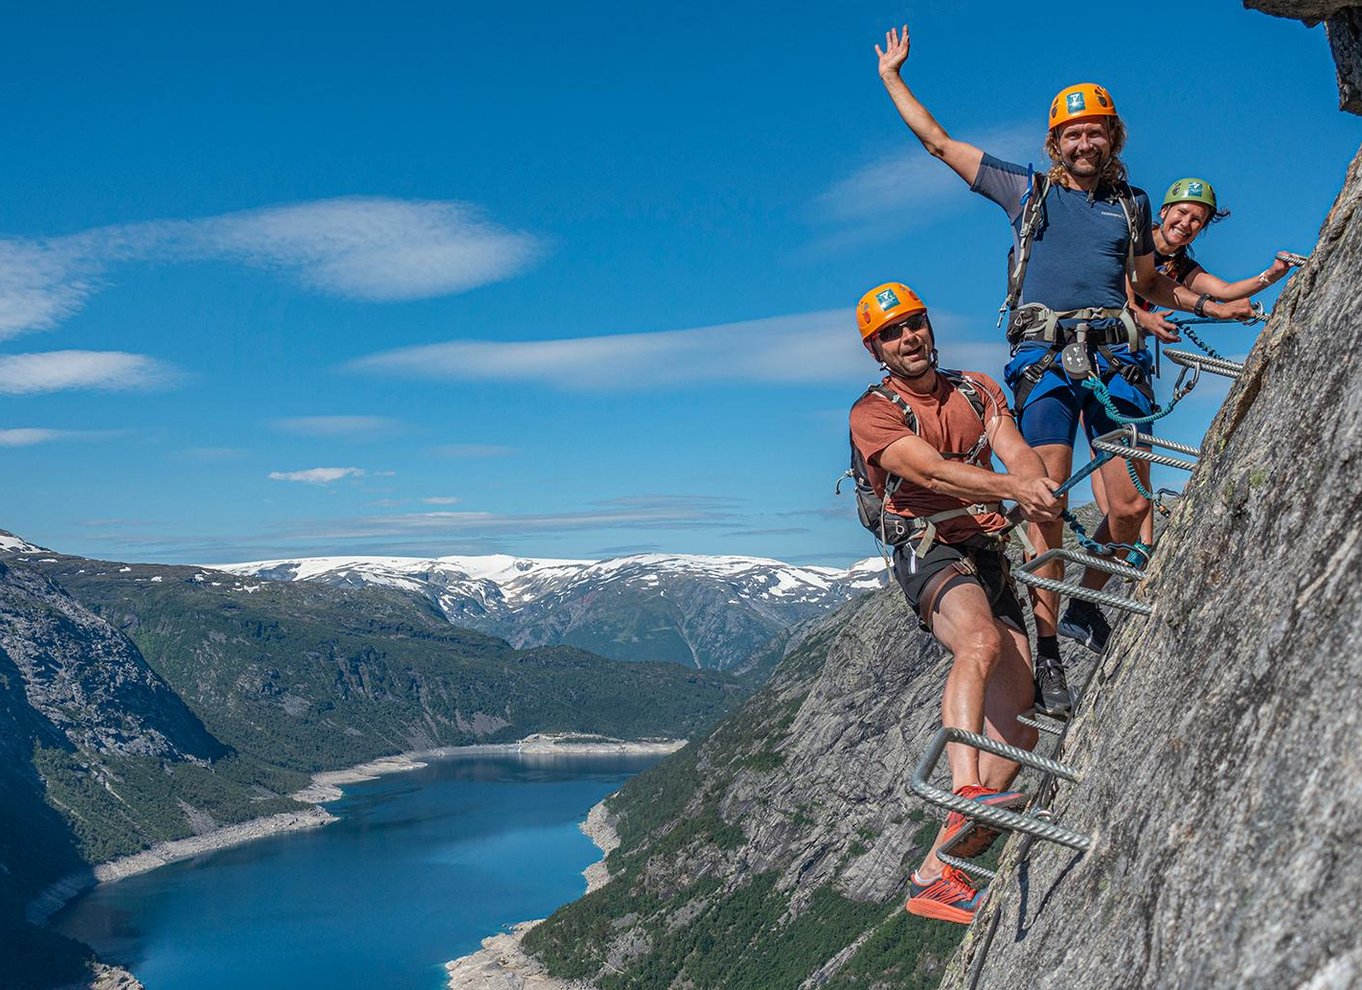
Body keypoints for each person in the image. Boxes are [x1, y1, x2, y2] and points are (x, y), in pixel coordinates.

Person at [874, 26, 1252, 717]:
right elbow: (939, 144)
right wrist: (893, 77)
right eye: (1073, 134)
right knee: (1043, 501)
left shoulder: (1132, 206)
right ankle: (1048, 651)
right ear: (1056, 143)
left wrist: (1214, 308)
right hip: (1045, 362)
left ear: (1113, 139)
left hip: (1114, 358)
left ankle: (1079, 608)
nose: (1085, 144)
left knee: (1132, 505)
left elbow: (1147, 283)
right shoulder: (1027, 193)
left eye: (1096, 133)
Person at [848, 282, 1062, 924]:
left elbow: (1013, 444)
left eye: (914, 324)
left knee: (1020, 719)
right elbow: (931, 472)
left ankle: (935, 875)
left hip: (987, 548)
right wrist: (1012, 486)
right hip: (928, 545)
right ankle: (965, 789)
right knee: (980, 641)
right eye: (893, 333)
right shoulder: (874, 412)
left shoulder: (974, 389)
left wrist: (1032, 480)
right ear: (876, 349)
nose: (908, 338)